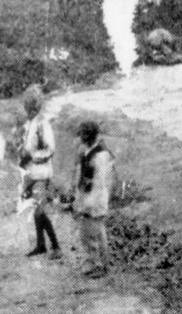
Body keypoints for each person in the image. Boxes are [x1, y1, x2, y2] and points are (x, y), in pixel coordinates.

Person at [18, 85, 62, 259]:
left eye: (31, 106)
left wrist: (32, 155)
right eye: (27, 106)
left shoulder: (43, 125)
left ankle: (56, 247)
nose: (29, 109)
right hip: (32, 174)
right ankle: (41, 245)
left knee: (39, 212)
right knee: (37, 212)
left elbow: (50, 149)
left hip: (42, 174)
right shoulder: (31, 124)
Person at [69, 120, 114, 277]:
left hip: (97, 197)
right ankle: (93, 261)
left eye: (85, 136)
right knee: (86, 232)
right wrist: (78, 196)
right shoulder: (85, 150)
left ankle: (102, 265)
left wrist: (88, 203)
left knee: (96, 232)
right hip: (87, 194)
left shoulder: (101, 155)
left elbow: (100, 183)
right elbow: (80, 173)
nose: (82, 139)